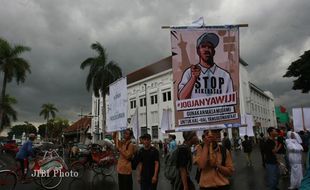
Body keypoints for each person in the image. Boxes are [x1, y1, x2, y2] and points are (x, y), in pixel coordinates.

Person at [178, 32, 233, 100]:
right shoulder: (189, 73)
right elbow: (182, 99)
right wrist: (193, 78)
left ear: (214, 52)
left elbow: (230, 101)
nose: (207, 49)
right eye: (203, 46)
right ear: (198, 51)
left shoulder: (225, 75)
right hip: (197, 110)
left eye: (210, 47)